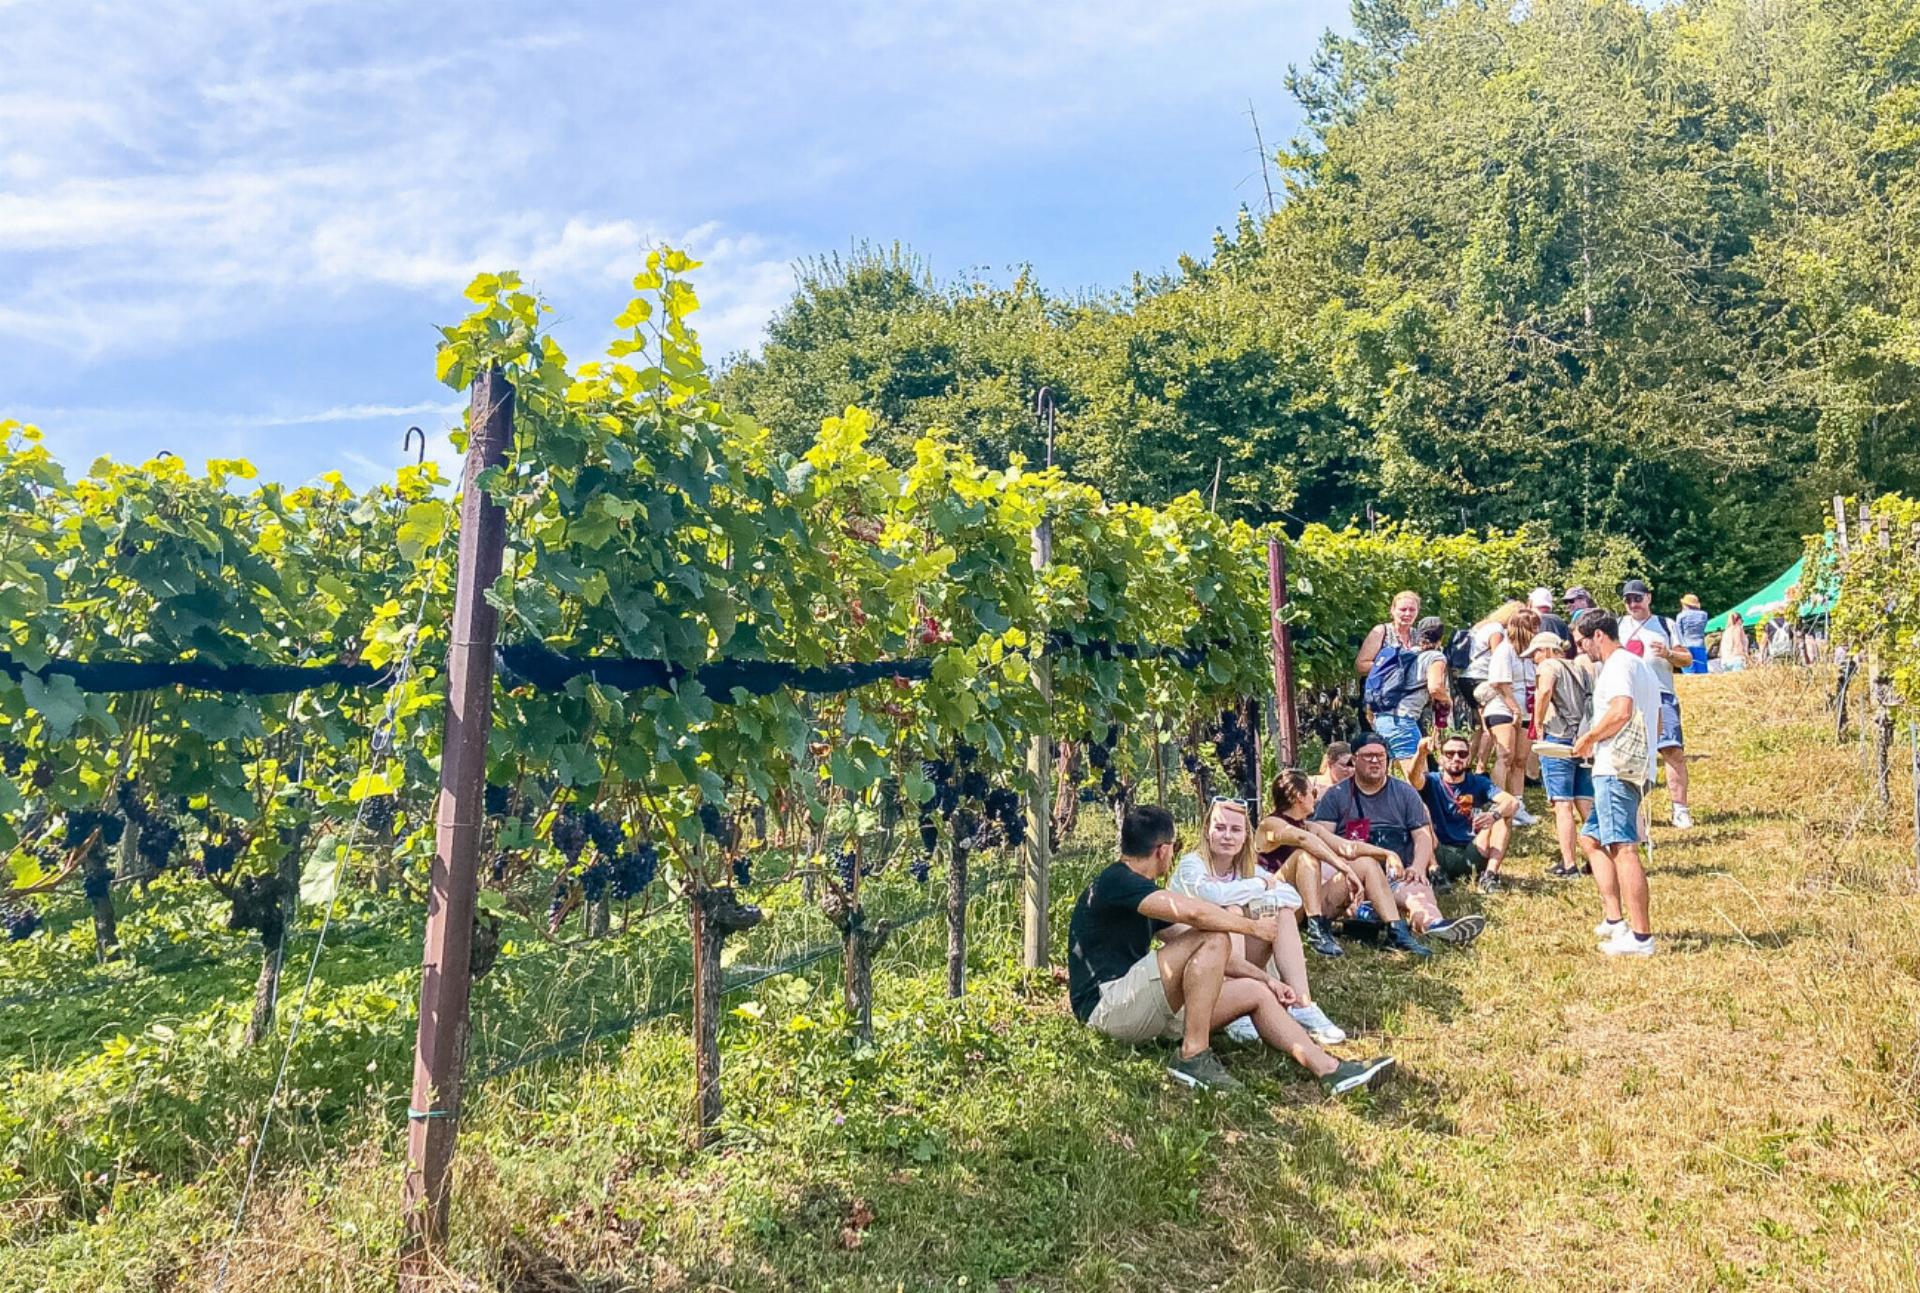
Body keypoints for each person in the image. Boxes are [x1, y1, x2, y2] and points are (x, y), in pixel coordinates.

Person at [1066, 804, 1396, 1094]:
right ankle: (1193, 1055)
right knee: (1215, 933)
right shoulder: (1116, 880)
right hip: (1107, 1008)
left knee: (1253, 990)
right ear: (1163, 850)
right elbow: (1195, 915)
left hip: (1140, 1009)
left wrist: (1267, 980)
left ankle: (1331, 1070)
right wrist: (1251, 927)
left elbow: (1203, 947)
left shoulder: (1140, 893)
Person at [1168, 797, 1346, 1044]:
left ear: (1245, 838)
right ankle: (1235, 1005)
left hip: (1236, 955)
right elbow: (1212, 894)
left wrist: (1253, 885)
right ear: (1207, 832)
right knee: (1233, 911)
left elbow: (1291, 897)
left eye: (1236, 830)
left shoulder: (1247, 869)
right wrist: (1260, 885)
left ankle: (1302, 1004)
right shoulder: (1192, 865)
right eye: (1220, 828)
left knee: (1282, 913)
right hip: (1196, 960)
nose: (1227, 836)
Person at [1310, 733, 1488, 950]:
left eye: (1380, 756)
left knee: (1420, 896)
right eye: (1368, 756)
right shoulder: (1336, 795)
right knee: (1328, 879)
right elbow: (1323, 841)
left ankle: (1437, 926)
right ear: (1354, 760)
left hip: (1397, 874)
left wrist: (1418, 867)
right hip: (1352, 874)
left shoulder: (1405, 792)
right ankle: (1361, 917)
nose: (1375, 761)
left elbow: (1422, 836)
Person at [1569, 612, 1660, 956]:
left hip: (1616, 769)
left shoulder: (1618, 665)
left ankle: (1641, 937)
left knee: (1623, 848)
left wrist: (1589, 738)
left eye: (1582, 642)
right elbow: (1658, 716)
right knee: (1590, 838)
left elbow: (1622, 710)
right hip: (1635, 766)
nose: (1581, 649)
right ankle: (1614, 920)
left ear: (1599, 636)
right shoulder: (1640, 666)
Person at [1256, 767, 1397, 958]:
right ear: (1299, 797)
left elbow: (1348, 847)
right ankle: (1316, 930)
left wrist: (1387, 854)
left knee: (1366, 863)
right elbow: (1303, 840)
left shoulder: (1310, 826)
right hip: (1276, 904)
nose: (1316, 797)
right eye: (1313, 792)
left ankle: (1397, 930)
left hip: (1301, 904)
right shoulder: (1270, 825)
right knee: (1306, 855)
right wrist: (1344, 868)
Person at [1618, 578, 1696, 829]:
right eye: (1628, 600)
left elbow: (1687, 659)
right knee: (1631, 755)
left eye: (1637, 598)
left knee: (1672, 750)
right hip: (1630, 696)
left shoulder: (1665, 624)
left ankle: (1680, 809)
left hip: (1662, 694)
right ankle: (1633, 811)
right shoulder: (1618, 625)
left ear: (1648, 598)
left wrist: (1669, 654)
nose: (1633, 604)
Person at [1410, 731, 1517, 896]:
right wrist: (1421, 753)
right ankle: (1436, 874)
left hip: (1472, 851)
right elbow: (1413, 778)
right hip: (1438, 853)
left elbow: (1512, 802)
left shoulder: (1479, 782)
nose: (1456, 758)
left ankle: (1489, 876)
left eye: (1462, 753)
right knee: (1420, 809)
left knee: (1503, 817)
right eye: (1449, 753)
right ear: (1440, 758)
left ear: (1468, 759)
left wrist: (1493, 815)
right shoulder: (1431, 781)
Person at [1528, 631, 1595, 880]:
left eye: (1534, 653)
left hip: (1558, 737)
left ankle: (1569, 864)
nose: (1533, 659)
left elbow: (1544, 692)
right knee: (1585, 802)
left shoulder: (1548, 665)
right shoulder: (1581, 667)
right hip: (1583, 738)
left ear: (1546, 650)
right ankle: (1596, 858)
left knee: (1562, 803)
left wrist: (1538, 724)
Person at [1371, 616, 1449, 782]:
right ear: (1441, 638)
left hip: (1381, 720)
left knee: (1389, 783)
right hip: (1403, 721)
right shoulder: (1435, 657)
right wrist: (1447, 700)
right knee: (1418, 782)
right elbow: (1435, 687)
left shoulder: (1406, 653)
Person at [1478, 608, 1538, 822]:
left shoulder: (1531, 654)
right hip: (1502, 707)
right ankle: (1499, 804)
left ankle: (1518, 804)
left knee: (1521, 759)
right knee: (1506, 755)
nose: (1537, 632)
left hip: (1526, 709)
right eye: (1534, 628)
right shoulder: (1504, 650)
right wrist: (1514, 709)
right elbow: (1500, 683)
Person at [1457, 600, 1527, 776]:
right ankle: (1479, 767)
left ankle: (1467, 763)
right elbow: (1499, 657)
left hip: (1467, 677)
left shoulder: (1482, 626)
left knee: (1481, 726)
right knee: (1488, 726)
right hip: (1482, 679)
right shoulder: (1496, 631)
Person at [1354, 590, 1422, 681]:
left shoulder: (1419, 635)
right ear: (1392, 610)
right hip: (1383, 693)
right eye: (1403, 609)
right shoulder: (1381, 632)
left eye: (1412, 610)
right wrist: (1394, 667)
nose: (1408, 614)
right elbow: (1361, 666)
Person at [1676, 594, 1710, 674]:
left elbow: (1678, 632)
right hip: (1700, 644)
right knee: (1702, 672)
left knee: (1689, 672)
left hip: (1686, 645)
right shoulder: (1704, 614)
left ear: (1685, 605)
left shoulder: (1681, 616)